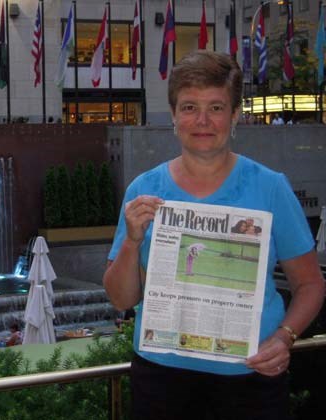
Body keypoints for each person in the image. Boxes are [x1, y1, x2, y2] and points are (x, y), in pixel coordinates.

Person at [102, 51, 324, 420]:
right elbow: (120, 298)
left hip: (250, 378)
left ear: (235, 115)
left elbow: (311, 285)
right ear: (173, 116)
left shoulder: (271, 188)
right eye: (189, 107)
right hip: (161, 380)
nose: (202, 121)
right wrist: (132, 241)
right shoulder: (144, 190)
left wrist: (285, 336)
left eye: (216, 108)